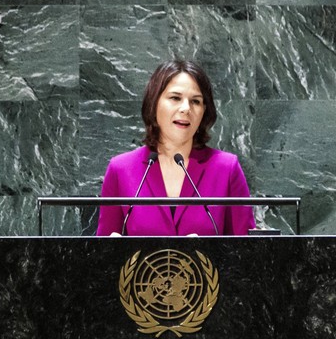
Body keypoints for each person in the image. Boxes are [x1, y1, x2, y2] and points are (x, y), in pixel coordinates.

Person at [96, 60, 255, 236]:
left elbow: (247, 252)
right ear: (154, 103)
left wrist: (207, 254)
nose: (186, 108)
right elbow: (103, 254)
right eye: (175, 98)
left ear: (204, 111)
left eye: (195, 101)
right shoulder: (121, 169)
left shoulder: (226, 168)